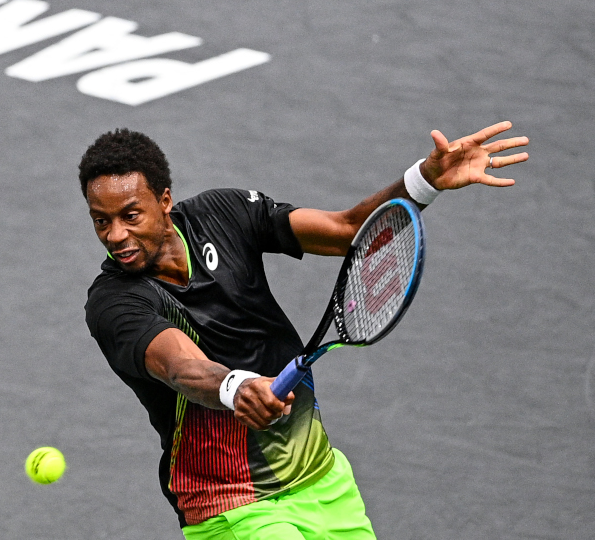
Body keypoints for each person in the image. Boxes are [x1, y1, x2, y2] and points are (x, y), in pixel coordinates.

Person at [80, 123, 529, 539]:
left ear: (164, 200)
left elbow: (346, 231)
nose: (116, 235)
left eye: (130, 215)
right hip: (233, 502)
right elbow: (180, 367)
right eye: (102, 220)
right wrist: (235, 387)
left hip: (321, 475)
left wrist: (424, 181)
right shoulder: (114, 302)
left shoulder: (224, 213)